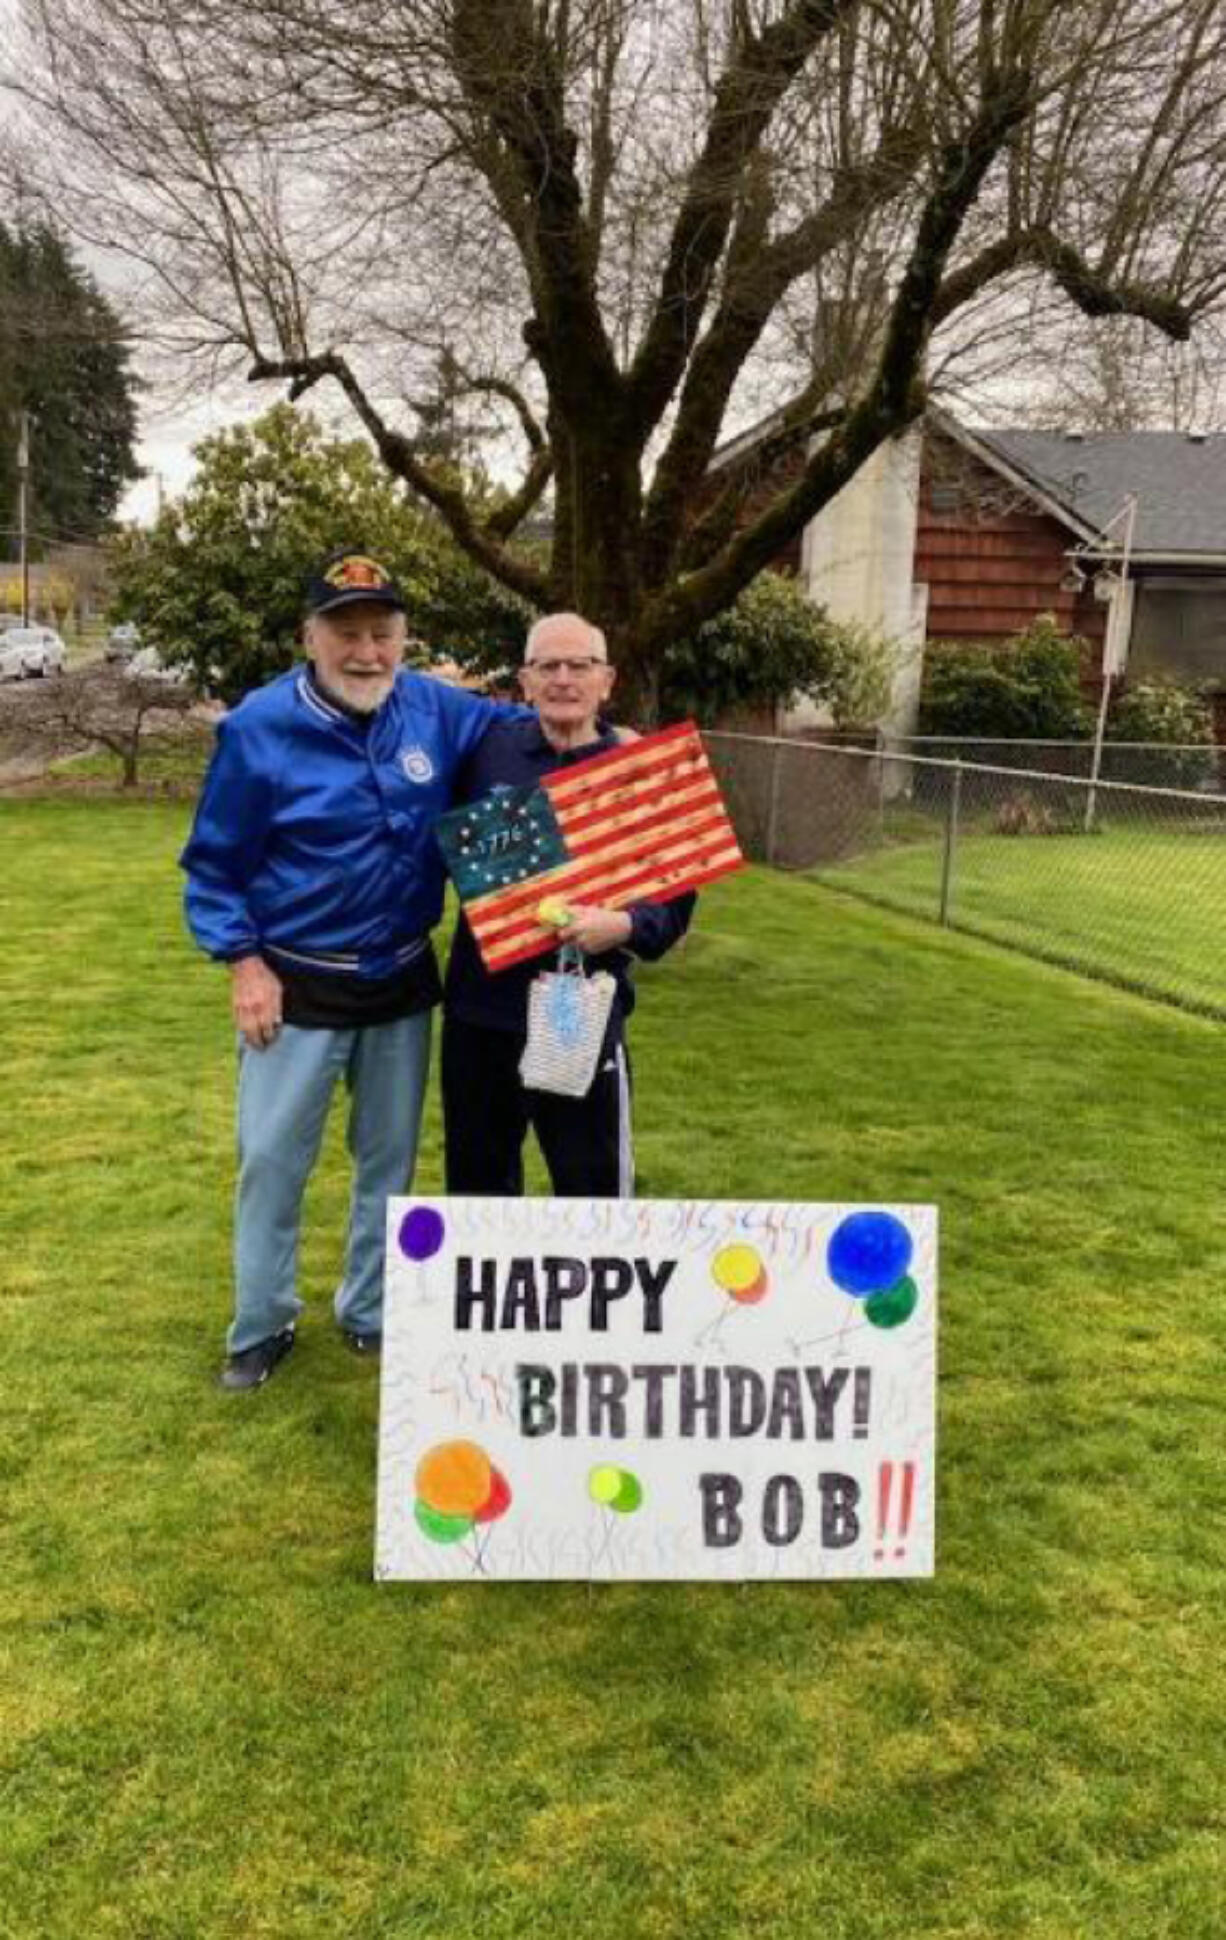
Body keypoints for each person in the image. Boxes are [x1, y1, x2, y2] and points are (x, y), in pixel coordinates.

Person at [181, 548, 520, 1391]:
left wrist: (612, 738)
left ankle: (371, 1311)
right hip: (295, 984)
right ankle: (262, 1323)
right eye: (347, 635)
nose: (366, 652)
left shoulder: (438, 711)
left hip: (402, 980)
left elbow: (529, 734)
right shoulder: (257, 729)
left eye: (382, 633)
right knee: (270, 1161)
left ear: (404, 640)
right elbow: (214, 866)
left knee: (389, 1164)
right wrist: (243, 963)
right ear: (310, 637)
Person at [442, 612, 693, 1199]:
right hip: (482, 1015)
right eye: (547, 666)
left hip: (582, 1012)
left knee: (593, 1194)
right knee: (478, 1189)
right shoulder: (481, 753)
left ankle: (588, 1295)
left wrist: (623, 923)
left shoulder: (642, 771)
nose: (563, 679)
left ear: (607, 680)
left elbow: (675, 903)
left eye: (578, 665)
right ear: (524, 681)